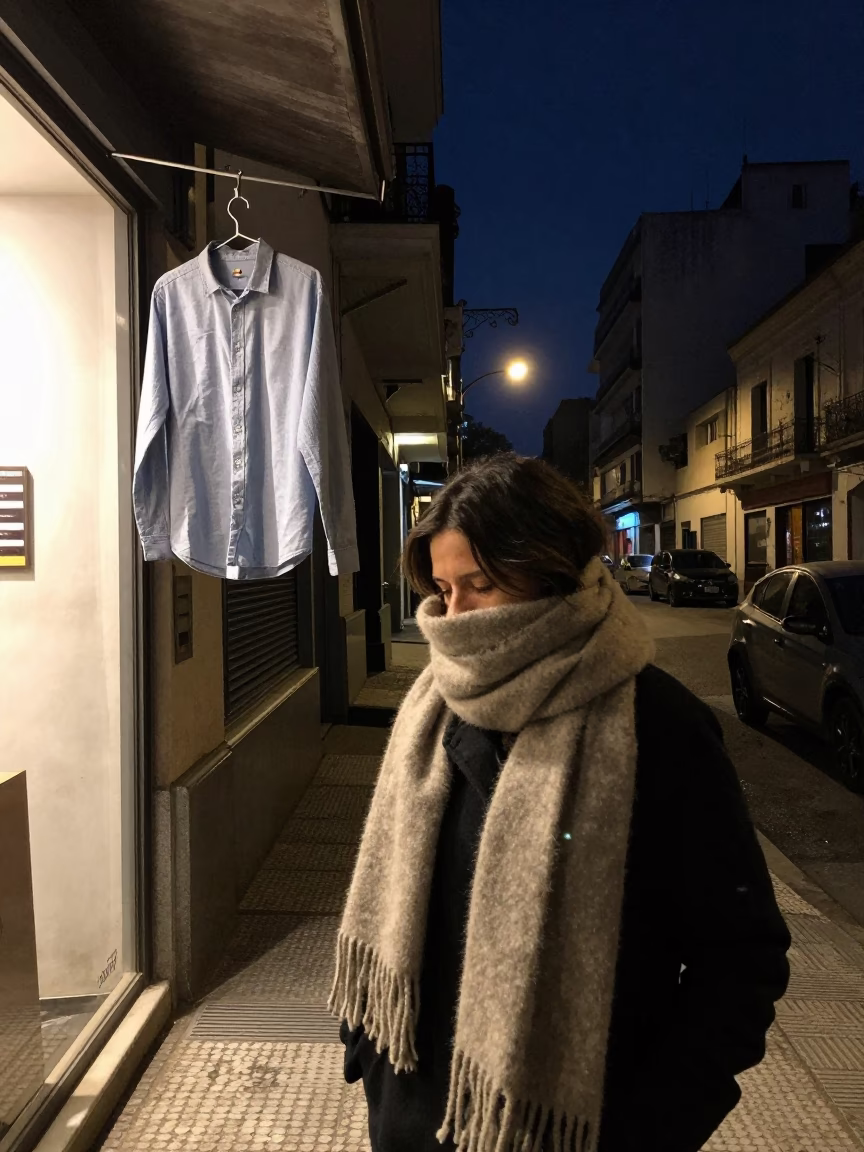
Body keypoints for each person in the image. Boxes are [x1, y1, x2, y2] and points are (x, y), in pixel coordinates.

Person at [330, 454, 790, 1152]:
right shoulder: (436, 706)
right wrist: (367, 1052)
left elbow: (740, 960)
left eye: (479, 586)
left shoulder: (659, 727)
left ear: (550, 574)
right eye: (443, 589)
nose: (451, 619)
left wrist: (652, 1128)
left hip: (573, 1127)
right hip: (414, 1115)